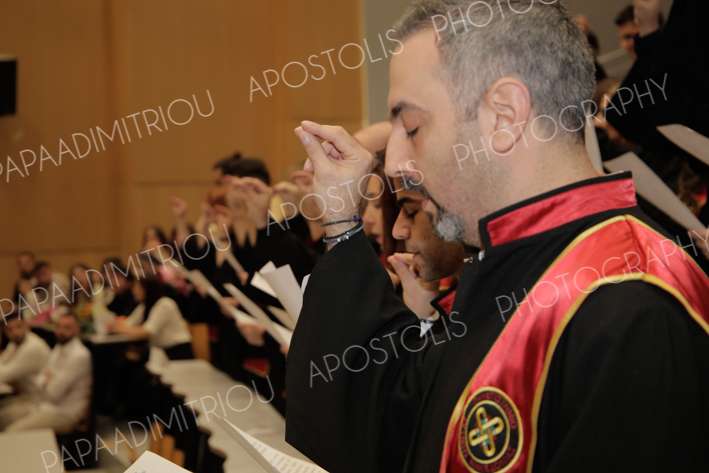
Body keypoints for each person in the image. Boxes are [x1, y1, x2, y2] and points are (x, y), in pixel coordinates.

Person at [286, 2, 709, 473]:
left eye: (412, 127)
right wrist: (342, 224)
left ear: (505, 115)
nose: (395, 163)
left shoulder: (632, 301)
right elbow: (401, 416)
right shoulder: (515, 257)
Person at [4, 313, 91, 432]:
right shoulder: (59, 347)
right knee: (3, 417)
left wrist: (47, 380)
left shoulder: (79, 355)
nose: (61, 331)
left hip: (65, 413)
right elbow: (42, 379)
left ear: (77, 329)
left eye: (67, 327)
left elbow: (53, 393)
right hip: (44, 405)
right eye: (58, 326)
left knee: (12, 432)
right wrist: (47, 380)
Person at [110, 270, 193, 360]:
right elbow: (128, 324)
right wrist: (120, 326)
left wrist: (120, 328)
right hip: (160, 353)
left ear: (147, 288)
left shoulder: (164, 304)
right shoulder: (144, 306)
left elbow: (147, 332)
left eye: (137, 288)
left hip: (177, 352)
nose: (134, 291)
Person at [0, 313, 50, 429]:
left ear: (26, 325)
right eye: (9, 329)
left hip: (38, 402)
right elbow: (2, 363)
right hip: (23, 396)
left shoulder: (33, 347)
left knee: (2, 417)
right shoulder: (15, 343)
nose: (15, 332)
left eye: (18, 326)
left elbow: (4, 374)